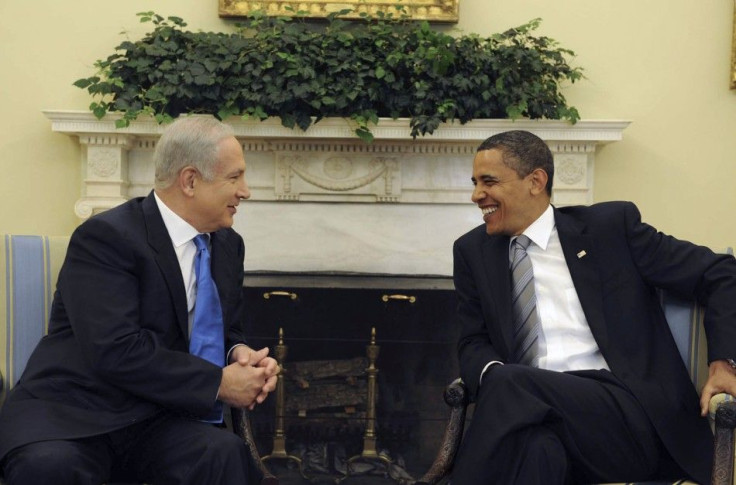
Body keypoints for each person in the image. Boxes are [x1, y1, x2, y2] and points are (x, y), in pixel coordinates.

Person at [0, 116, 280, 484]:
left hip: (156, 418)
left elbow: (226, 330)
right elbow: (115, 349)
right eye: (234, 177)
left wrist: (238, 355)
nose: (245, 190)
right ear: (190, 181)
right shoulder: (106, 237)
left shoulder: (228, 245)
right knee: (51, 465)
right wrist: (218, 383)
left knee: (223, 453)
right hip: (76, 412)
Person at [451, 130, 736, 485]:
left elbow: (722, 272)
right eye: (475, 182)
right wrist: (493, 375)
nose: (476, 195)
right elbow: (473, 341)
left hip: (625, 417)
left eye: (488, 181)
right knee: (537, 450)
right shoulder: (472, 252)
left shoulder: (609, 229)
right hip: (535, 416)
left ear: (536, 181)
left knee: (507, 380)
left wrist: (725, 362)